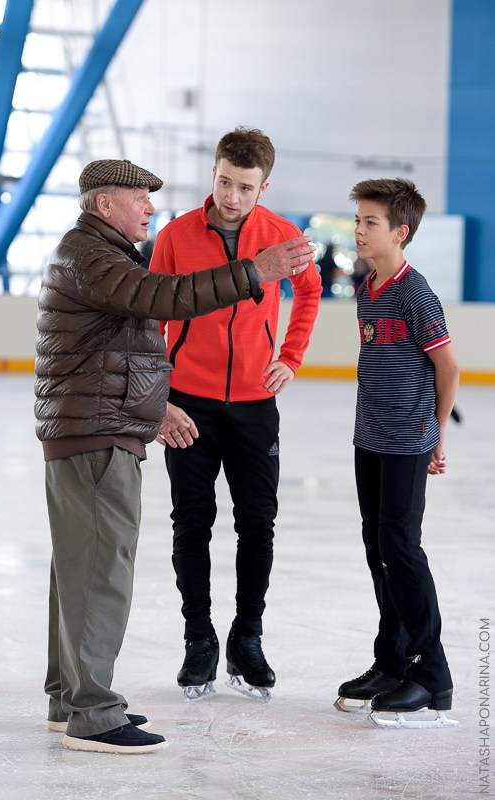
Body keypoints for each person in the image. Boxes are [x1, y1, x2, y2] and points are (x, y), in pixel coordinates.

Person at [34, 158, 315, 754]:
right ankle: (92, 712)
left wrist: (153, 406)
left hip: (100, 425)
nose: (151, 209)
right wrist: (251, 272)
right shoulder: (93, 255)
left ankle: (69, 699)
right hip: (95, 432)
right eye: (140, 200)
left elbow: (126, 342)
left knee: (80, 570)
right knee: (100, 571)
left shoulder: (98, 252)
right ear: (105, 203)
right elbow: (164, 298)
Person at [149, 127, 322, 700]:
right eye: (224, 182)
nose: (231, 196)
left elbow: (311, 291)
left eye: (245, 187)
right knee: (191, 520)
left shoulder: (280, 236)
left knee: (258, 522)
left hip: (254, 404)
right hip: (188, 403)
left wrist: (291, 357)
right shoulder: (175, 235)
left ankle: (248, 636)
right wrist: (162, 396)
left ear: (263, 186)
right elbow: (150, 315)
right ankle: (199, 637)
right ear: (215, 174)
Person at [335, 178, 460, 726]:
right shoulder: (369, 289)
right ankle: (392, 662)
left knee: (400, 547)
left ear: (400, 233)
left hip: (408, 438)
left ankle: (432, 674)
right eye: (358, 221)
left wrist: (436, 434)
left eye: (371, 223)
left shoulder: (416, 293)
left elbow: (448, 367)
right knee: (377, 547)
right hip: (370, 436)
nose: (360, 231)